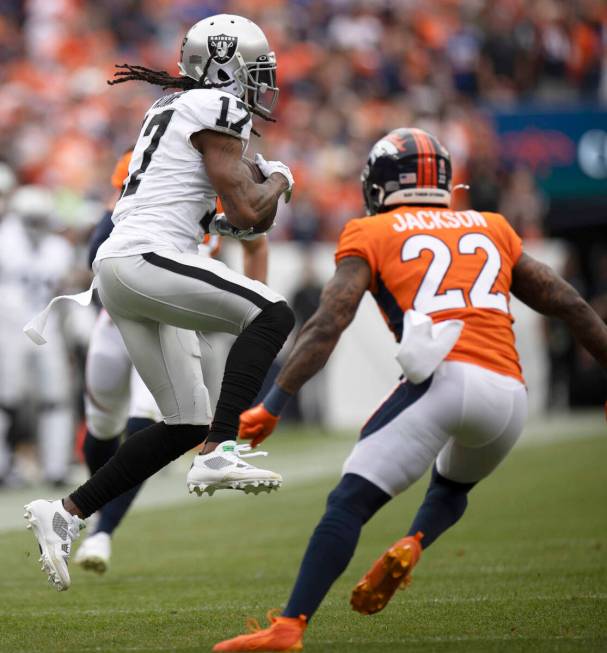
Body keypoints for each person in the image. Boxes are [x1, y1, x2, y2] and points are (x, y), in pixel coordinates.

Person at [213, 127, 607, 651]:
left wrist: (273, 403)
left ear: (379, 185)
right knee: (451, 486)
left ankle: (289, 627)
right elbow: (573, 306)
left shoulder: (370, 232)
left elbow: (329, 322)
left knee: (348, 503)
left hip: (441, 381)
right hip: (509, 395)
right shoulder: (493, 227)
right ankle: (416, 541)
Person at [24, 13, 295, 592]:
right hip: (148, 259)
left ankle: (66, 512)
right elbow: (252, 212)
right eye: (256, 72)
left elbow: (240, 221)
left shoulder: (175, 108)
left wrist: (268, 186)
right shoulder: (218, 109)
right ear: (227, 65)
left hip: (122, 268)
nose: (260, 85)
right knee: (273, 313)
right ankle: (222, 450)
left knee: (183, 420)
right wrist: (281, 181)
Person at [76, 150, 273, 574]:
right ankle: (97, 507)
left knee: (149, 419)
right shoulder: (143, 163)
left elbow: (257, 240)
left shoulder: (226, 176)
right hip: (121, 314)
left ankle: (102, 532)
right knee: (102, 425)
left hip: (171, 318)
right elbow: (104, 233)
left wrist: (252, 301)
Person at [0, 185, 75, 486]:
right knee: (6, 400)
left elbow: (64, 293)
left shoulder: (58, 248)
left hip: (46, 328)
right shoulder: (5, 240)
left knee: (55, 400)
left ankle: (56, 468)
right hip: (7, 328)